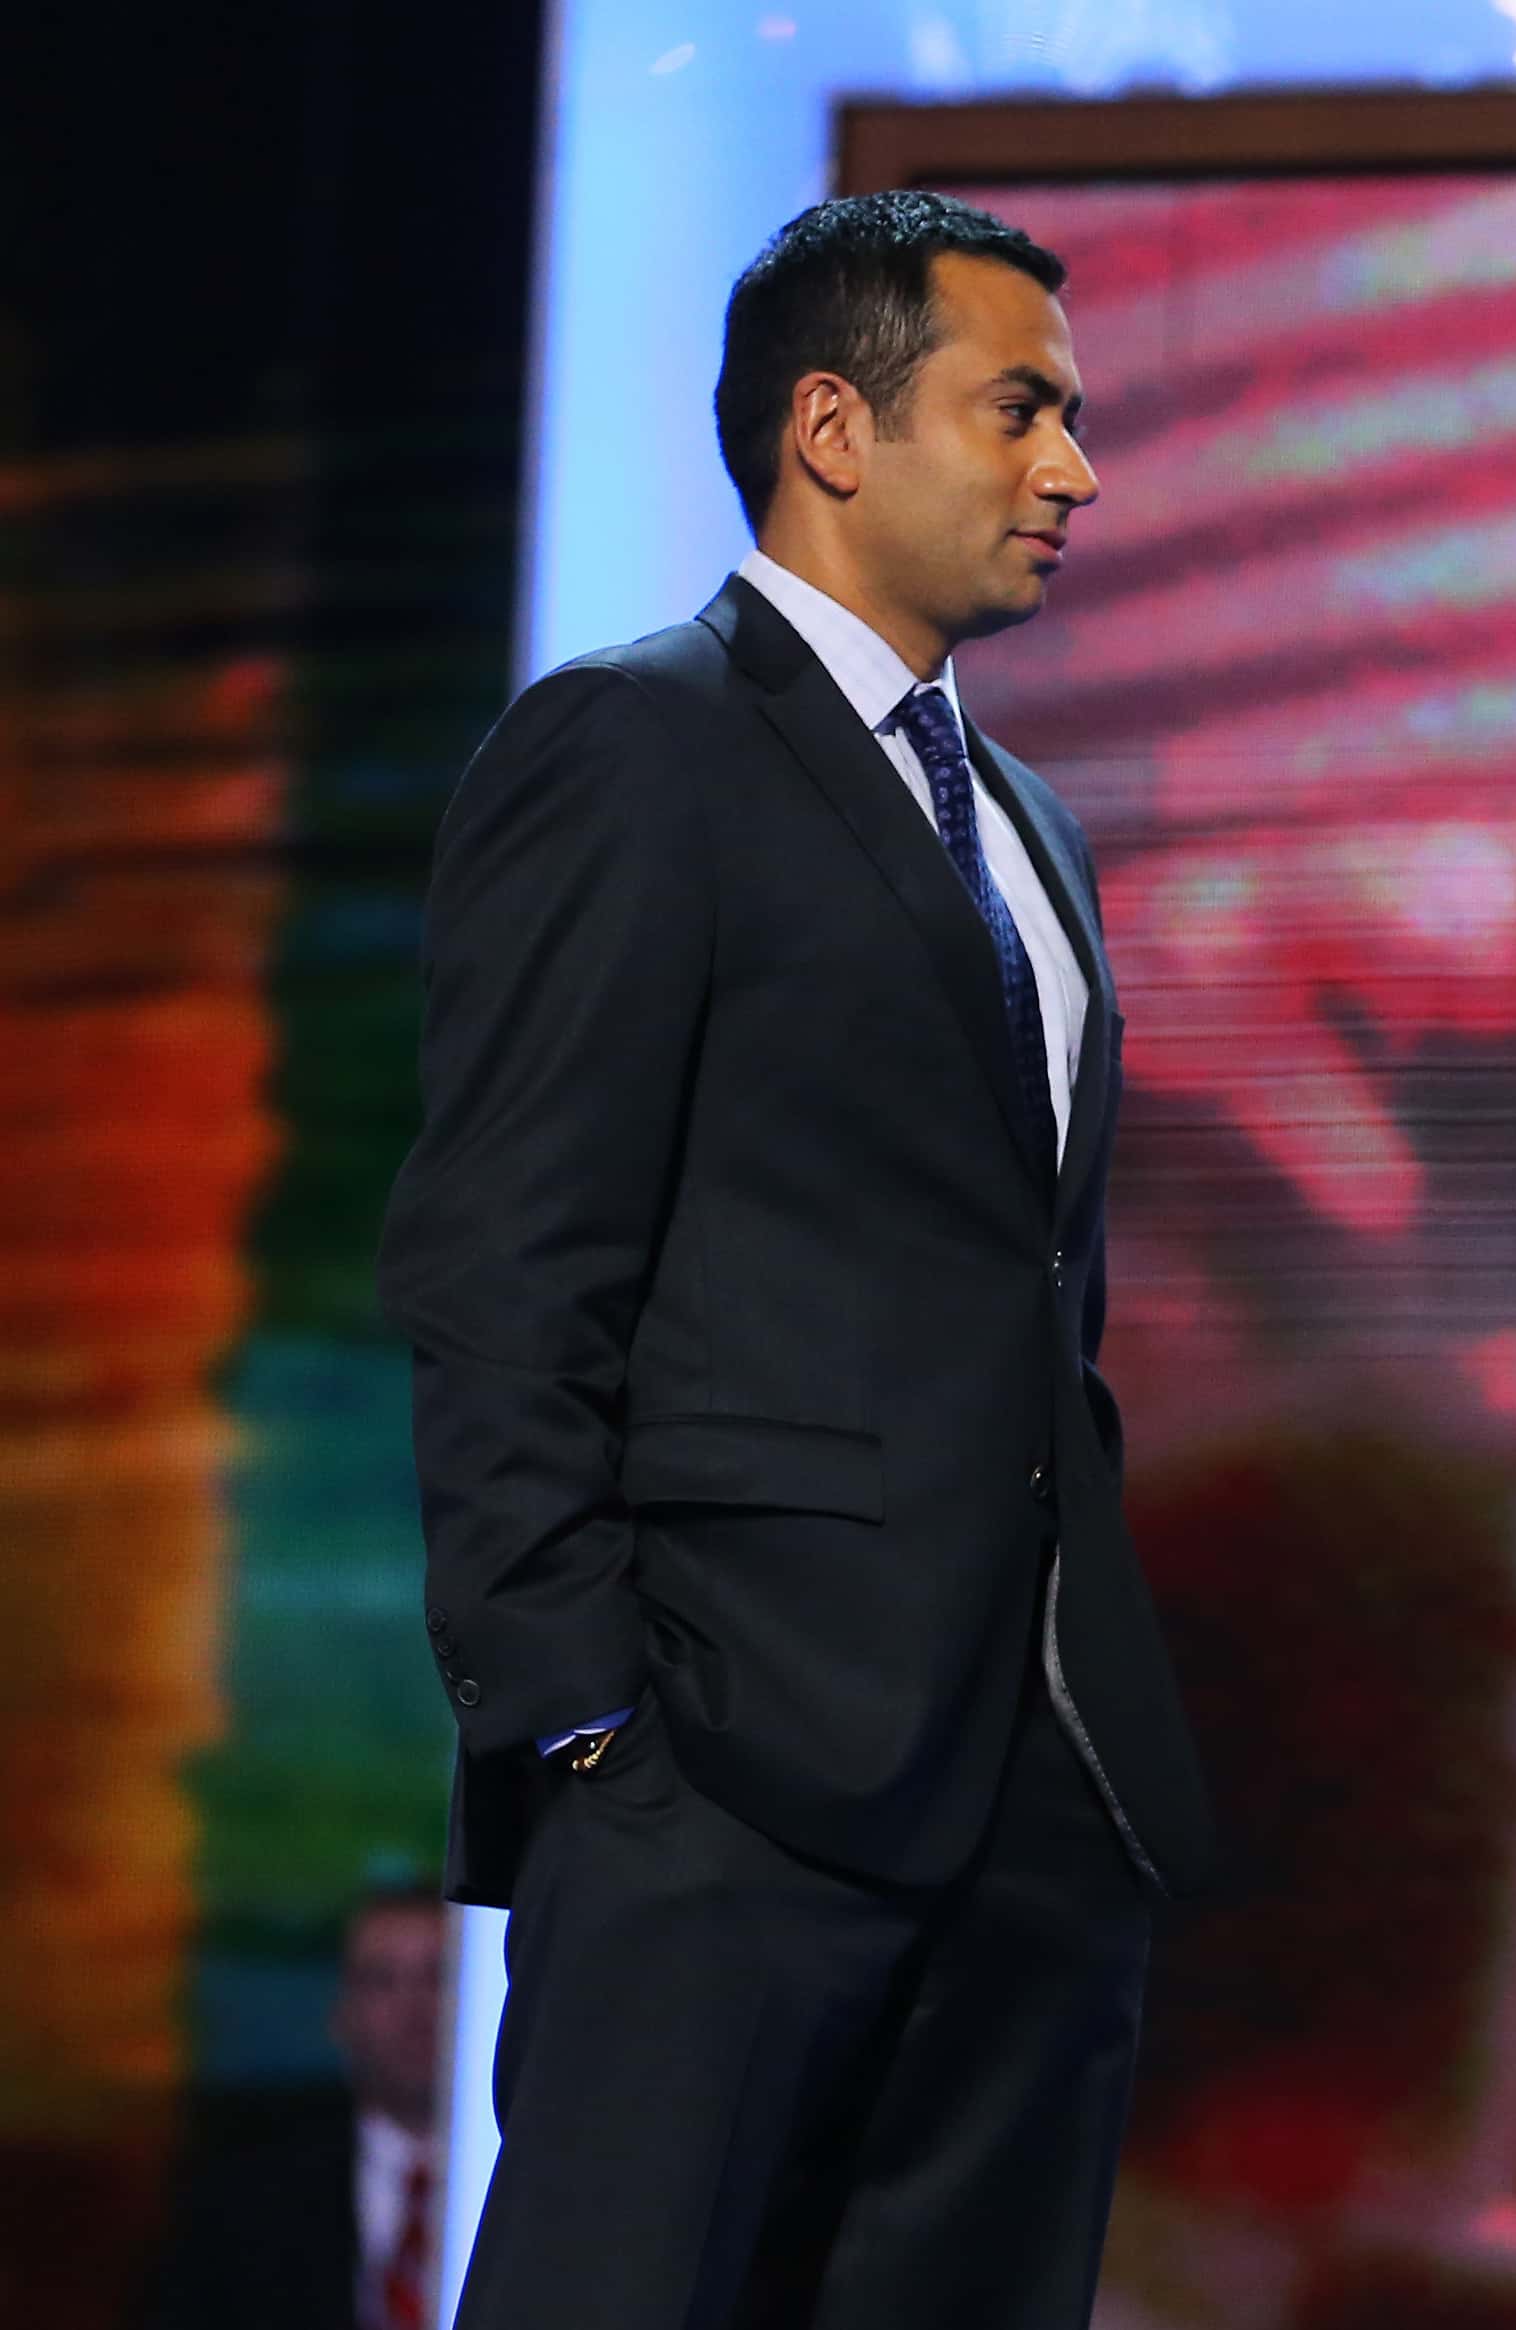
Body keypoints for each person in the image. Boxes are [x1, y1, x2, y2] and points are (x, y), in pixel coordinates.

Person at [375, 190, 1213, 2328]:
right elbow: (501, 1262)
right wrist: (588, 1732)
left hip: (1029, 1808)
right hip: (722, 1787)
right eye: (1021, 410)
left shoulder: (1028, 823)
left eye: (1075, 420)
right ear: (834, 428)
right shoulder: (634, 744)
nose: (1075, 470)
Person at [135, 1885, 450, 2330]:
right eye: (382, 1980)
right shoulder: (242, 2204)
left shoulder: (528, 2186)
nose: (414, 2010)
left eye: (437, 1976)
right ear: (341, 2014)